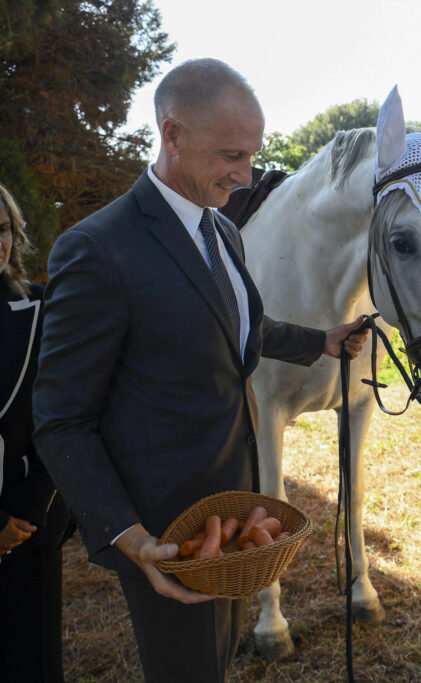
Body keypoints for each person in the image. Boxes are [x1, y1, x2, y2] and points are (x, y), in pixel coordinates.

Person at [32, 58, 369, 682]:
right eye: (231, 156)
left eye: (252, 155)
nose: (246, 176)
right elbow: (60, 420)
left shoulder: (223, 231)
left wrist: (320, 341)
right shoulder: (96, 249)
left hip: (234, 517)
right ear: (173, 135)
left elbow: (238, 326)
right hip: (168, 536)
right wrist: (130, 537)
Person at [0, 183, 74, 682]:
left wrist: (23, 513)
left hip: (27, 523)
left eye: (3, 229)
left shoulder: (44, 311)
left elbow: (67, 416)